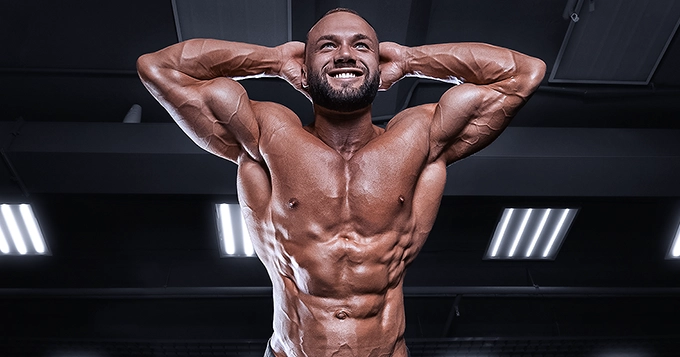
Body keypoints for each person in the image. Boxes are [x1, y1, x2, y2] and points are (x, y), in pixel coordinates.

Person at [137, 8, 545, 357]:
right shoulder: (267, 136)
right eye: (327, 46)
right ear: (306, 67)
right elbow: (159, 67)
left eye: (362, 45)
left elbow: (525, 73)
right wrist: (273, 60)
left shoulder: (419, 138)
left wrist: (409, 60)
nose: (345, 54)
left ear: (377, 61)